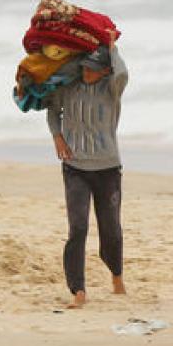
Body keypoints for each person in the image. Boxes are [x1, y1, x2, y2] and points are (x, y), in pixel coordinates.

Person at [47, 33, 128, 308]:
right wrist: (57, 136)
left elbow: (123, 73)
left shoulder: (111, 90)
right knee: (78, 228)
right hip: (75, 167)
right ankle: (78, 290)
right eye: (84, 67)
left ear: (105, 71)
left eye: (93, 69)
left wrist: (112, 49)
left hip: (107, 168)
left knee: (111, 230)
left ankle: (116, 275)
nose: (87, 73)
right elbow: (52, 110)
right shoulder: (69, 87)